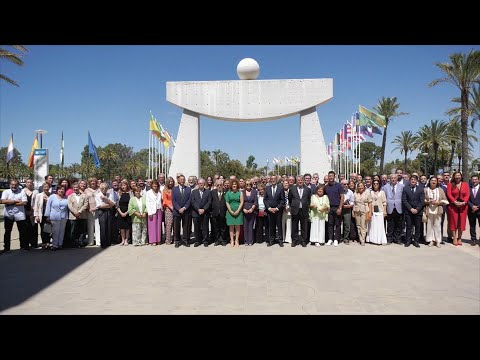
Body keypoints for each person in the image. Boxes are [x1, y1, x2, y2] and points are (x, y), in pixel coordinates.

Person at [1, 179, 28, 253]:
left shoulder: (22, 191)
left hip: (20, 214)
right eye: (12, 184)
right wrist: (15, 201)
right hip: (8, 214)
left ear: (18, 185)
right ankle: (6, 248)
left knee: (22, 231)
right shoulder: (6, 192)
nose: (14, 186)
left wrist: (10, 202)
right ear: (10, 185)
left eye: (15, 185)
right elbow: (3, 201)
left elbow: (24, 202)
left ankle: (23, 246)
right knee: (7, 231)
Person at [446, 171, 470, 246]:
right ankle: (455, 238)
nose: (457, 177)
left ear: (461, 176)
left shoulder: (465, 184)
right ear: (454, 177)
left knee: (461, 222)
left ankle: (460, 238)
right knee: (453, 222)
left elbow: (467, 194)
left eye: (459, 175)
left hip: (463, 206)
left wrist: (464, 202)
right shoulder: (450, 184)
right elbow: (449, 194)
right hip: (453, 206)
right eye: (456, 176)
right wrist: (454, 201)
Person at [424, 177, 448, 247]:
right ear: (429, 181)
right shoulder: (425, 190)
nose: (433, 182)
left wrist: (438, 202)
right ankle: (430, 240)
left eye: (435, 181)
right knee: (429, 226)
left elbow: (445, 200)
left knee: (437, 226)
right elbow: (422, 200)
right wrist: (428, 201)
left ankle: (438, 241)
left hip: (438, 210)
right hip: (429, 210)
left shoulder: (440, 190)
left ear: (437, 182)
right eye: (432, 180)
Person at [402, 175, 425, 248]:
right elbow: (404, 200)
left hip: (418, 211)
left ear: (417, 181)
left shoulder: (421, 189)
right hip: (409, 211)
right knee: (409, 227)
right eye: (412, 179)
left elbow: (422, 201)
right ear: (409, 180)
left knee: (418, 227)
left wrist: (417, 209)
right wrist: (410, 209)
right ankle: (408, 241)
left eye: (414, 180)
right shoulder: (405, 189)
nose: (413, 181)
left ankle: (416, 241)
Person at [44, 185, 69, 251]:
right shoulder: (52, 197)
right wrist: (47, 216)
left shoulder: (66, 197)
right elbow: (48, 207)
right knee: (55, 231)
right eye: (59, 189)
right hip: (54, 216)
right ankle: (54, 245)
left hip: (64, 216)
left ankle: (60, 244)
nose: (61, 190)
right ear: (57, 190)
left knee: (62, 231)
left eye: (63, 189)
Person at [289, 175, 311, 247]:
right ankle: (294, 240)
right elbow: (290, 198)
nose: (300, 181)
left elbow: (309, 199)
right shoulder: (292, 189)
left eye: (301, 180)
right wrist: (293, 205)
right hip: (295, 209)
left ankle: (303, 240)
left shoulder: (307, 189)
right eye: (298, 180)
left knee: (304, 226)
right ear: (296, 181)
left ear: (303, 181)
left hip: (304, 210)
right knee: (294, 226)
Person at [263, 175, 285, 246]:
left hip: (278, 211)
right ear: (270, 180)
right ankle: (271, 240)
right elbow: (265, 199)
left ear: (277, 180)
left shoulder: (280, 188)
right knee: (271, 226)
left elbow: (282, 200)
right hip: (270, 211)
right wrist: (269, 208)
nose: (273, 180)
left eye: (274, 179)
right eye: (272, 179)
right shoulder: (267, 188)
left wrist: (277, 208)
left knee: (279, 225)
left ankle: (280, 240)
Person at [325, 171, 344, 247]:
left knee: (338, 224)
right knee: (330, 224)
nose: (330, 177)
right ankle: (330, 239)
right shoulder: (326, 186)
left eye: (332, 176)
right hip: (329, 208)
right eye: (329, 176)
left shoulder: (339, 186)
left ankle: (336, 239)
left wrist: (340, 207)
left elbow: (342, 196)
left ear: (334, 176)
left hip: (337, 207)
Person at [67, 182, 89, 248]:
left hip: (82, 215)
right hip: (73, 216)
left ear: (79, 188)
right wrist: (75, 213)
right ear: (72, 188)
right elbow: (69, 205)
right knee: (73, 230)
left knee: (82, 231)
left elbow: (86, 204)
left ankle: (81, 242)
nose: (75, 188)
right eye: (74, 187)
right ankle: (74, 243)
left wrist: (79, 212)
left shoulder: (84, 196)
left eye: (77, 187)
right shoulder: (70, 196)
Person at [172, 175, 192, 248]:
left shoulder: (188, 189)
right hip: (177, 211)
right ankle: (177, 241)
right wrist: (179, 209)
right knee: (176, 227)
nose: (182, 181)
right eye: (181, 179)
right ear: (178, 180)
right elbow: (173, 201)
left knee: (186, 226)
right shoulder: (174, 189)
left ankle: (185, 240)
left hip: (186, 211)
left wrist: (184, 208)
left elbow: (189, 200)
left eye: (183, 179)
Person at [384, 174, 404, 245]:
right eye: (392, 178)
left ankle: (397, 239)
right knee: (390, 225)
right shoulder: (385, 187)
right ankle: (389, 239)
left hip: (399, 208)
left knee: (398, 225)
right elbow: (384, 198)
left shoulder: (402, 187)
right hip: (390, 208)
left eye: (395, 178)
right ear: (390, 179)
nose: (393, 179)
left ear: (397, 179)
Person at [94, 182, 116, 248]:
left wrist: (106, 199)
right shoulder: (98, 195)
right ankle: (103, 243)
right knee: (103, 227)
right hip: (102, 212)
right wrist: (109, 204)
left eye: (106, 188)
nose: (104, 189)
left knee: (109, 226)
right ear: (100, 188)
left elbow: (113, 204)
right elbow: (100, 206)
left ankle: (108, 242)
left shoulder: (109, 194)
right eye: (103, 188)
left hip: (109, 212)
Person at [191, 178, 211, 247]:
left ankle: (205, 240)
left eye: (202, 183)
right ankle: (197, 240)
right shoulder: (194, 192)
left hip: (205, 212)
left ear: (204, 184)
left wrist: (204, 209)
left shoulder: (208, 192)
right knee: (197, 228)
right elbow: (193, 201)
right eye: (199, 183)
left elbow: (209, 202)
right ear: (197, 184)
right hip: (196, 213)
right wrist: (198, 209)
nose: (201, 184)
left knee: (205, 227)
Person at [367, 180, 387, 245]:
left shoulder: (382, 192)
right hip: (372, 211)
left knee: (380, 227)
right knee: (372, 226)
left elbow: (384, 202)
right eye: (374, 184)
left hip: (380, 211)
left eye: (377, 183)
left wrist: (384, 211)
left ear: (379, 184)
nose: (375, 185)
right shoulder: (370, 192)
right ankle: (372, 239)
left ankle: (380, 240)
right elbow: (368, 202)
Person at [225, 179, 244, 247]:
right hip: (230, 212)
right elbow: (227, 202)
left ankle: (236, 240)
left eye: (235, 184)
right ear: (231, 185)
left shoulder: (240, 192)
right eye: (233, 184)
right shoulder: (228, 193)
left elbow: (241, 202)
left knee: (237, 226)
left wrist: (238, 210)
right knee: (231, 226)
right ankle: (232, 240)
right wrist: (230, 211)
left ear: (237, 185)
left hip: (238, 212)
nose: (234, 185)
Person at [34, 183, 52, 249]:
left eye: (47, 187)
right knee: (43, 229)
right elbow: (36, 206)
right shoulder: (39, 195)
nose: (46, 188)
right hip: (41, 215)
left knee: (49, 229)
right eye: (45, 187)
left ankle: (48, 242)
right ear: (42, 188)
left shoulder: (51, 195)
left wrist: (47, 200)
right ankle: (44, 243)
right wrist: (36, 216)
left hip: (49, 215)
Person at [210, 179, 228, 246]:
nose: (219, 186)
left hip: (224, 213)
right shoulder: (212, 192)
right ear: (216, 185)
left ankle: (223, 240)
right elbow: (210, 202)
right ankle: (217, 240)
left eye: (220, 185)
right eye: (218, 185)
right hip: (215, 213)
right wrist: (211, 212)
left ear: (223, 185)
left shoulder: (226, 192)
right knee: (216, 227)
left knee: (223, 228)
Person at [22, 178, 39, 248]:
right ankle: (25, 245)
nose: (29, 183)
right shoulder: (22, 191)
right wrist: (26, 211)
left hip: (33, 213)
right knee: (25, 229)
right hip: (24, 212)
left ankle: (34, 244)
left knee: (34, 228)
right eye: (28, 182)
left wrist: (33, 211)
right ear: (26, 183)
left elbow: (38, 202)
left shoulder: (36, 191)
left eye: (31, 182)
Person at [146, 180, 163, 246]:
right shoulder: (148, 193)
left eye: (156, 185)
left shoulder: (159, 192)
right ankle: (153, 241)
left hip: (159, 210)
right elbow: (147, 203)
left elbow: (161, 201)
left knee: (158, 226)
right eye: (153, 185)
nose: (155, 186)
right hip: (152, 211)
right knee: (152, 226)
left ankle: (158, 240)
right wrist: (149, 213)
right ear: (151, 185)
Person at [242, 180, 258, 246]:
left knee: (251, 226)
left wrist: (252, 208)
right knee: (245, 227)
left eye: (249, 184)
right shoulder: (242, 192)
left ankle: (250, 241)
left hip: (252, 211)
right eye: (247, 184)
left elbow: (255, 201)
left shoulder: (254, 192)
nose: (248, 185)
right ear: (245, 185)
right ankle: (246, 241)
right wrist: (243, 209)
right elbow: (240, 202)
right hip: (244, 211)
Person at [341, 180, 354, 245]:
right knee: (338, 224)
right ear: (341, 184)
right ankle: (339, 238)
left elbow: (352, 202)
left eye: (347, 184)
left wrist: (349, 205)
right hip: (339, 209)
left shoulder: (350, 192)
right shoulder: (338, 191)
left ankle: (346, 238)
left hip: (347, 209)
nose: (345, 185)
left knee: (347, 225)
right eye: (344, 184)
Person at [468, 175, 480, 246]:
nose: (474, 181)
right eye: (473, 179)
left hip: (479, 209)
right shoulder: (469, 188)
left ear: (479, 180)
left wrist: (478, 207)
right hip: (471, 210)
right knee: (472, 225)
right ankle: (473, 239)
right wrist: (472, 206)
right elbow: (466, 199)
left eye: (476, 179)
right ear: (471, 180)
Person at [162, 177, 175, 245]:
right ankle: (168, 239)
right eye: (169, 181)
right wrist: (170, 207)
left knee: (175, 224)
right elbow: (165, 200)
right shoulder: (165, 190)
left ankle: (175, 239)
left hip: (176, 208)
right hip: (168, 209)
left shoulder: (175, 189)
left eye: (172, 181)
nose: (171, 183)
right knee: (168, 224)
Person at [281, 180, 292, 244]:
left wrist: (289, 207)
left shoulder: (291, 191)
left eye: (287, 183)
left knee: (289, 224)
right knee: (282, 224)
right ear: (282, 184)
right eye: (284, 183)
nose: (286, 184)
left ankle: (288, 238)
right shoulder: (280, 190)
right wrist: (283, 207)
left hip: (289, 209)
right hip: (282, 209)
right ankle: (283, 238)